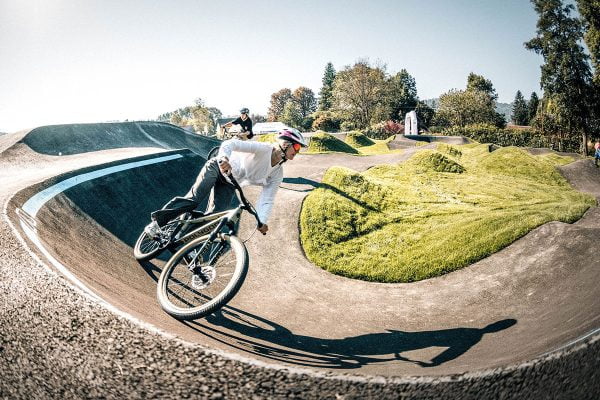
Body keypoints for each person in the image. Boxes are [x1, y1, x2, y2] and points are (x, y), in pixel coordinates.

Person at [145, 128, 307, 237]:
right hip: (218, 167)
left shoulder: (277, 173)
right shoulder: (263, 149)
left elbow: (268, 198)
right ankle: (157, 223)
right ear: (285, 143)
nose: (298, 152)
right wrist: (224, 159)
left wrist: (262, 220)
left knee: (212, 219)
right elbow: (231, 143)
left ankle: (186, 240)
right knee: (194, 200)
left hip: (230, 184)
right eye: (298, 147)